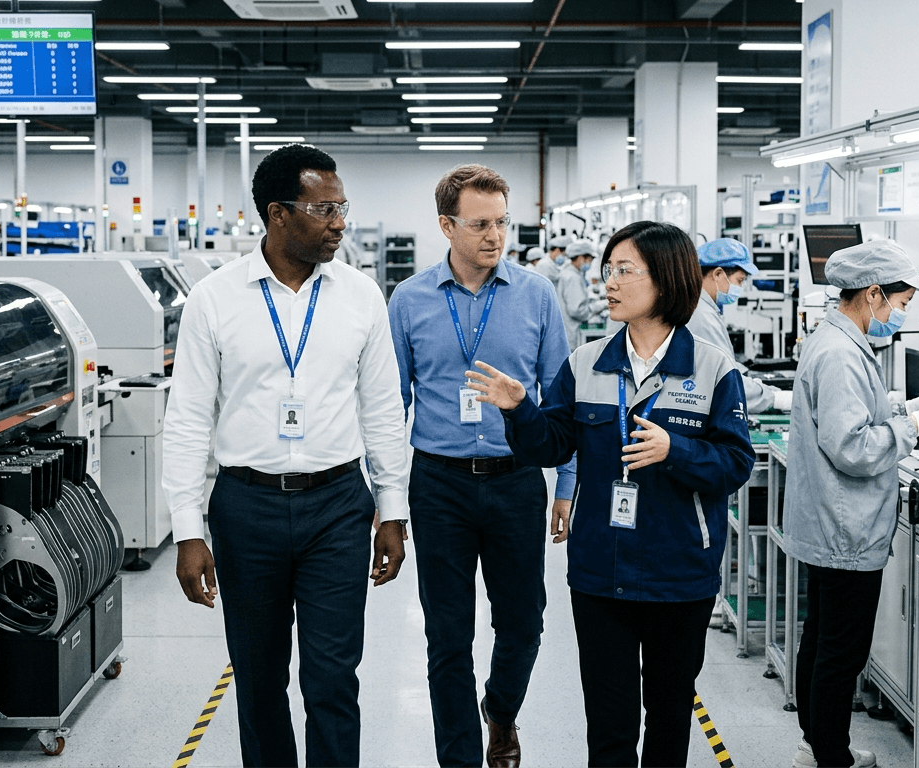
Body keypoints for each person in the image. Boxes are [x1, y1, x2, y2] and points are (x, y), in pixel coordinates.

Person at [466, 220, 756, 768]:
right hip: (601, 572)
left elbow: (736, 463)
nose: (610, 283)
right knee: (609, 724)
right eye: (608, 270)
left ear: (666, 279)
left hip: (680, 575)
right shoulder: (586, 364)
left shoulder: (713, 369)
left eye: (625, 271)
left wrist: (675, 450)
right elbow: (550, 446)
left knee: (669, 715)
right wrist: (520, 409)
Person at [163, 143, 411, 768]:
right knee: (258, 677)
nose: (339, 223)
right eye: (325, 209)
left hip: (338, 505)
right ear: (278, 213)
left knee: (333, 677)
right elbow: (188, 419)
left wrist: (392, 509)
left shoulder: (361, 296)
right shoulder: (214, 300)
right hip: (246, 508)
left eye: (343, 207)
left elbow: (383, 409)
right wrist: (188, 530)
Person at [388, 164, 575, 768]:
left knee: (524, 624)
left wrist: (566, 485)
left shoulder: (536, 295)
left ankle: (500, 708)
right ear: (447, 226)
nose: (495, 236)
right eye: (479, 225)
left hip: (516, 480)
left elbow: (562, 401)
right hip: (438, 483)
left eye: (502, 222)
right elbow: (390, 405)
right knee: (447, 634)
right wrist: (387, 501)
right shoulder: (410, 300)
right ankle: (461, 758)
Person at [783, 240, 919, 768]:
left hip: (831, 522)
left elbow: (853, 410)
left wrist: (904, 406)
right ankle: (830, 757)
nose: (900, 315)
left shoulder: (837, 339)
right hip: (845, 526)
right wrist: (915, 427)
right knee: (840, 652)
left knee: (821, 640)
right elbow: (852, 447)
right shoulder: (841, 353)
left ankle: (817, 745)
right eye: (901, 303)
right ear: (874, 293)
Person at [687, 238, 791, 412]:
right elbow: (725, 379)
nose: (740, 287)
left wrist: (756, 385)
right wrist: (774, 398)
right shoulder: (701, 315)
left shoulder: (702, 307)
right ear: (718, 274)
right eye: (740, 280)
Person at [557, 238, 609, 351]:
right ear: (581, 258)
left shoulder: (571, 273)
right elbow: (577, 310)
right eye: (589, 259)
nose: (590, 263)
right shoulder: (572, 277)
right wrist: (601, 305)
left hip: (569, 329)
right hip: (573, 331)